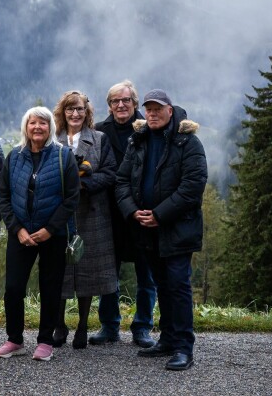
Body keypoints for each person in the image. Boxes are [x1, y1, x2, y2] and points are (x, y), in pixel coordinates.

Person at [116, 89, 206, 371]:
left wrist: (160, 214)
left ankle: (183, 347)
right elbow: (121, 181)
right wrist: (133, 211)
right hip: (146, 229)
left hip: (177, 229)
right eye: (149, 109)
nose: (153, 114)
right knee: (162, 285)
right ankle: (167, 339)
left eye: (158, 109)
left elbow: (192, 187)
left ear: (170, 110)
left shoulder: (188, 142)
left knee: (178, 286)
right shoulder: (138, 140)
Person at [0, 106, 78, 361]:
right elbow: (3, 196)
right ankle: (14, 339)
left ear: (50, 127)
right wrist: (17, 229)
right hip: (21, 234)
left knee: (50, 287)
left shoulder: (64, 156)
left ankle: (45, 341)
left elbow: (72, 197)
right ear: (26, 127)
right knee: (13, 288)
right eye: (33, 123)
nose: (37, 127)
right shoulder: (15, 157)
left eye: (43, 123)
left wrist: (49, 229)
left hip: (53, 235)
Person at [92, 79, 157, 348]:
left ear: (134, 103)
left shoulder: (149, 127)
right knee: (108, 274)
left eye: (126, 100)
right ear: (109, 106)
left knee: (147, 274)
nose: (121, 105)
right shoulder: (98, 131)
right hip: (109, 213)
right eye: (115, 101)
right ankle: (109, 326)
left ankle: (142, 327)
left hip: (142, 212)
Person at [50, 91, 118, 349]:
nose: (75, 114)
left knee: (87, 272)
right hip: (58, 214)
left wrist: (83, 184)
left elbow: (110, 173)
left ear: (87, 112)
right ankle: (59, 325)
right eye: (70, 109)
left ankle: (82, 326)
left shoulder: (99, 139)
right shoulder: (52, 139)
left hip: (92, 213)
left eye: (79, 109)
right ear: (62, 112)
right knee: (59, 270)